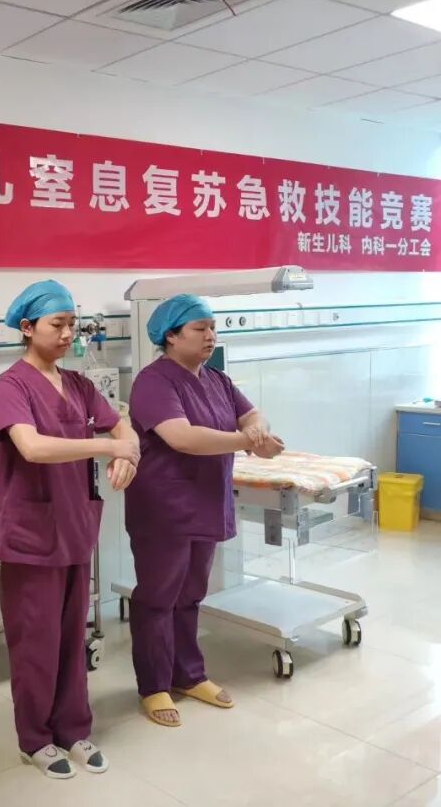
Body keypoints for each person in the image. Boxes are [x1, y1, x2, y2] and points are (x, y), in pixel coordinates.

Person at [0, 280, 140, 780]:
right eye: (57, 324)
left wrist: (128, 451)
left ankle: (73, 728)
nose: (68, 333)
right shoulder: (11, 386)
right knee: (36, 641)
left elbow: (119, 422)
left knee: (73, 638)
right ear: (27, 328)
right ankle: (35, 738)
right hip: (30, 536)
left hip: (74, 527)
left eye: (73, 324)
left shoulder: (78, 385)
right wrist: (108, 448)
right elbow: (32, 447)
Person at [125, 293, 284, 728]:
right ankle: (154, 685)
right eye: (200, 328)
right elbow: (182, 437)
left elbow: (252, 413)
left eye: (213, 327)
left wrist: (257, 430)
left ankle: (189, 674)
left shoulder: (217, 380)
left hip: (205, 503)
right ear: (171, 336)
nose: (210, 335)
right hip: (164, 509)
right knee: (158, 597)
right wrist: (247, 442)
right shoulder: (153, 382)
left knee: (191, 593)